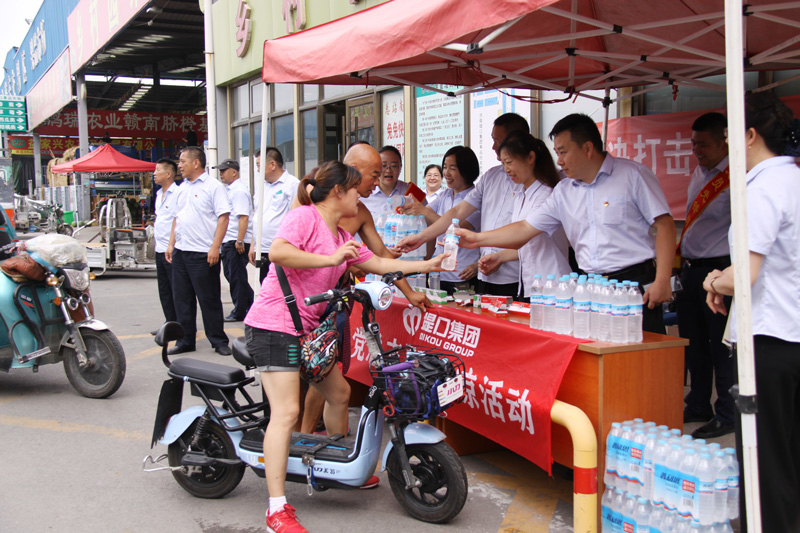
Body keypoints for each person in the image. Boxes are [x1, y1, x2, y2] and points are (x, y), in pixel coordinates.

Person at [243, 161, 448, 533]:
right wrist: (330, 260)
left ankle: (333, 466)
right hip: (275, 328)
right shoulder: (305, 218)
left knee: (338, 394)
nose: (361, 196)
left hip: (308, 332)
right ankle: (277, 508)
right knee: (287, 412)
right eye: (356, 190)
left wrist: (431, 262)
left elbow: (382, 262)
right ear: (338, 192)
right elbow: (278, 252)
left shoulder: (340, 236)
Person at [453, 113, 675, 333]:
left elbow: (664, 225)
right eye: (557, 152)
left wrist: (663, 279)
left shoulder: (633, 175)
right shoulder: (564, 190)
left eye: (563, 152)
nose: (559, 160)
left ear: (587, 149)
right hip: (591, 287)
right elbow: (525, 228)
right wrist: (477, 238)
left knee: (643, 358)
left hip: (632, 284)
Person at [703, 91, 800, 532]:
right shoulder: (793, 180)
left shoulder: (761, 188)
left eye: (728, 136)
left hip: (768, 339)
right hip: (790, 331)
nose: (727, 147)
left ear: (750, 134)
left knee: (766, 460)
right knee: (789, 451)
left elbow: (747, 274)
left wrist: (714, 280)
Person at [297, 142, 431, 437]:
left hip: (334, 305)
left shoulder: (361, 211)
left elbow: (380, 256)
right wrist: (341, 262)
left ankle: (318, 441)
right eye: (374, 174)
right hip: (302, 305)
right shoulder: (309, 203)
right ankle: (301, 438)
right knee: (305, 381)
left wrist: (409, 292)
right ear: (352, 173)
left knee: (328, 374)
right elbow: (290, 253)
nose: (378, 180)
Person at [396, 113, 530, 297]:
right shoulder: (491, 177)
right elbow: (457, 212)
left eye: (497, 140)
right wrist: (420, 237)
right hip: (486, 275)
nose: (493, 146)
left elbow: (525, 232)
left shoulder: (537, 185)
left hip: (518, 276)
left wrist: (482, 244)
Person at [676, 112, 735, 438]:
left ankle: (726, 412)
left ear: (725, 141)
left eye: (704, 144)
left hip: (720, 270)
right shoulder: (699, 173)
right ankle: (698, 402)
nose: (697, 150)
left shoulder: (733, 177)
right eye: (694, 143)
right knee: (694, 344)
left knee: (719, 345)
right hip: (692, 269)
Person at [477, 131, 570, 299]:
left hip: (552, 287)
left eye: (509, 162)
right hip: (530, 284)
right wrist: (500, 256)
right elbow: (532, 244)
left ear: (530, 158)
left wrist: (475, 239)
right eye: (504, 163)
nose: (506, 170)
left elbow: (522, 232)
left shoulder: (545, 194)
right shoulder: (521, 194)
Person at [166, 146, 233, 356]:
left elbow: (223, 217)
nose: (179, 165)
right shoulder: (181, 188)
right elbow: (177, 218)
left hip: (203, 252)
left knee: (208, 298)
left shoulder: (213, 187)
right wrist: (171, 244)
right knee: (182, 299)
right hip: (181, 251)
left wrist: (215, 247)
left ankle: (218, 340)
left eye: (183, 161)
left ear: (196, 163)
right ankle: (185, 340)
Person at [403, 146, 481, 294]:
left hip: (462, 273)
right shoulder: (445, 194)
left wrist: (423, 210)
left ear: (467, 169)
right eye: (445, 167)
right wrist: (413, 210)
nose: (446, 173)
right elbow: (427, 216)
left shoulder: (475, 199)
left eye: (452, 168)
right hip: (440, 273)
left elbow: (454, 227)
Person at [248, 147, 299, 283]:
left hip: (281, 250)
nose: (257, 170)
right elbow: (257, 216)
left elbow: (296, 219)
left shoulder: (292, 185)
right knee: (264, 286)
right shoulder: (261, 186)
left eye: (259, 165)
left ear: (272, 164)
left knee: (282, 288)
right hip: (262, 248)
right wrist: (253, 244)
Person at [216, 158, 254, 322]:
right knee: (232, 275)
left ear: (234, 172)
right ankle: (249, 304)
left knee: (236, 277)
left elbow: (243, 217)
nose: (221, 174)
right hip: (230, 239)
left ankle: (240, 310)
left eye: (224, 171)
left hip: (235, 241)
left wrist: (239, 240)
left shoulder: (238, 191)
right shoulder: (230, 190)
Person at [151, 158, 183, 334]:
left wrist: (172, 244)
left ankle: (180, 324)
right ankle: (169, 323)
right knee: (164, 289)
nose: (154, 174)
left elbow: (177, 221)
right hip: (159, 248)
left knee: (175, 289)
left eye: (158, 170)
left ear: (169, 174)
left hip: (172, 249)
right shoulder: (158, 194)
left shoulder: (177, 193)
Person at [360, 145, 426, 220]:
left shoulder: (414, 193)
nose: (388, 170)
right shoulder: (365, 194)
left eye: (394, 166)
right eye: (383, 166)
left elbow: (428, 221)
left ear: (400, 168)